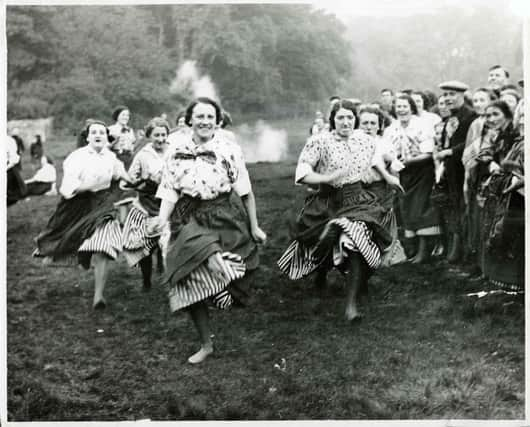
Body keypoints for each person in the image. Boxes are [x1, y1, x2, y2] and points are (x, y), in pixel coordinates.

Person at [149, 97, 266, 364]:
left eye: (209, 117)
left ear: (218, 120)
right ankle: (205, 343)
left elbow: (246, 193)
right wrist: (161, 219)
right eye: (199, 116)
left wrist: (255, 227)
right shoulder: (175, 150)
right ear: (189, 120)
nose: (204, 121)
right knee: (185, 279)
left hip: (222, 215)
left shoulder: (228, 149)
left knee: (230, 270)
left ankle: (219, 288)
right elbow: (169, 191)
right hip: (185, 217)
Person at [278, 99, 398, 322]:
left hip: (356, 198)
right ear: (332, 119)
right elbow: (303, 173)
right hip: (328, 199)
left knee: (356, 239)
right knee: (318, 239)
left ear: (356, 120)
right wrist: (327, 177)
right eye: (340, 117)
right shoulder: (320, 141)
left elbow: (377, 162)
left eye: (350, 118)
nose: (346, 122)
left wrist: (390, 176)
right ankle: (322, 272)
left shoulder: (365, 140)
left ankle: (351, 305)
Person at [34, 121, 132, 309]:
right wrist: (95, 183)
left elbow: (123, 173)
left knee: (103, 246)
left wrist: (131, 180)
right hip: (78, 204)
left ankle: (98, 296)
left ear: (106, 137)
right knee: (70, 240)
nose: (98, 135)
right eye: (94, 132)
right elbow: (68, 187)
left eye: (102, 132)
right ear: (87, 137)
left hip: (103, 204)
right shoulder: (76, 157)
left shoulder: (111, 157)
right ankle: (63, 253)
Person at [383, 94, 440, 263]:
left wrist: (408, 161)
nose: (401, 110)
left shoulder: (422, 125)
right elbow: (386, 150)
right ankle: (412, 249)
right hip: (403, 173)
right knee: (407, 208)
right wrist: (394, 160)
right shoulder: (391, 128)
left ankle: (424, 252)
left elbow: (429, 153)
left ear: (412, 107)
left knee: (421, 209)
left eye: (404, 106)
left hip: (422, 172)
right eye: (398, 107)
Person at [474, 100, 523, 290]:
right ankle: (491, 274)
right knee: (491, 227)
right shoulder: (497, 135)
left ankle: (508, 281)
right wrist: (490, 162)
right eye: (487, 115)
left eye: (495, 114)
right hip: (499, 186)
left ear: (508, 115)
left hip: (513, 189)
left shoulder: (516, 133)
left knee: (504, 230)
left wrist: (499, 165)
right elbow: (484, 153)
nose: (491, 119)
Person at [121, 117, 170, 290]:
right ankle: (146, 281)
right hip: (147, 203)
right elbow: (129, 180)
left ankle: (168, 274)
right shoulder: (142, 155)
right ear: (149, 135)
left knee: (168, 242)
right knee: (145, 244)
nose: (160, 139)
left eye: (163, 134)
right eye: (156, 135)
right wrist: (143, 179)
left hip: (168, 202)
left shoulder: (173, 151)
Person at [435, 81, 477, 263]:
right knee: (453, 206)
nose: (448, 98)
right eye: (445, 95)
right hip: (451, 169)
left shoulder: (470, 115)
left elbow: (471, 144)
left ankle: (464, 252)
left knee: (464, 206)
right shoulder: (450, 117)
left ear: (462, 95)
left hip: (464, 169)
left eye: (452, 94)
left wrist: (451, 151)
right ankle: (455, 248)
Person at [6, 134, 27, 206]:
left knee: (15, 189)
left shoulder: (9, 140)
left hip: (9, 167)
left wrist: (8, 166)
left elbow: (13, 156)